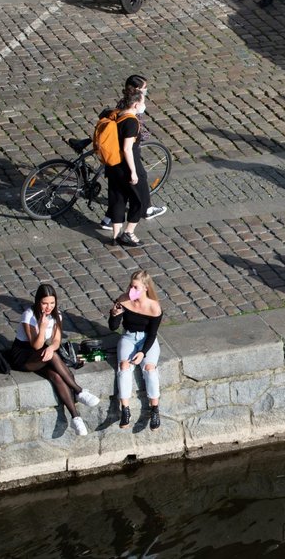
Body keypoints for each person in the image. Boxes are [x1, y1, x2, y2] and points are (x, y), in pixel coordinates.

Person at [10, 284, 100, 436]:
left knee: (56, 376)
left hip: (43, 355)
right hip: (23, 356)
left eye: (52, 303)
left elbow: (56, 341)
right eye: (45, 303)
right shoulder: (29, 315)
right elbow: (36, 344)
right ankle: (79, 391)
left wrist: (51, 348)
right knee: (52, 355)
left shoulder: (56, 314)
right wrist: (43, 327)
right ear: (38, 301)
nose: (48, 307)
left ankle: (76, 418)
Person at [100, 75, 167, 231]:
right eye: (144, 88)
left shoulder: (124, 103)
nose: (146, 91)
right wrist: (133, 171)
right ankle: (144, 212)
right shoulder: (131, 113)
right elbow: (127, 146)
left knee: (117, 191)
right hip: (125, 151)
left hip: (116, 153)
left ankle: (110, 220)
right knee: (137, 179)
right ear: (137, 91)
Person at [108, 269, 164, 430]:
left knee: (149, 368)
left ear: (146, 288)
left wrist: (142, 352)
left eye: (136, 288)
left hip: (147, 339)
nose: (132, 291)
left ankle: (154, 409)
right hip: (128, 337)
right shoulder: (124, 300)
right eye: (131, 287)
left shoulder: (154, 307)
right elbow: (113, 327)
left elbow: (153, 334)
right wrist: (114, 314)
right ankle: (125, 409)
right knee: (124, 366)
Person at [106, 90, 151, 247]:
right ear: (136, 104)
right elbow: (127, 149)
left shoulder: (116, 114)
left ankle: (115, 236)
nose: (144, 105)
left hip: (112, 166)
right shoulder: (131, 122)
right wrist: (133, 171)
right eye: (143, 102)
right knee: (138, 201)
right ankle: (128, 233)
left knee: (117, 199)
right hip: (126, 166)